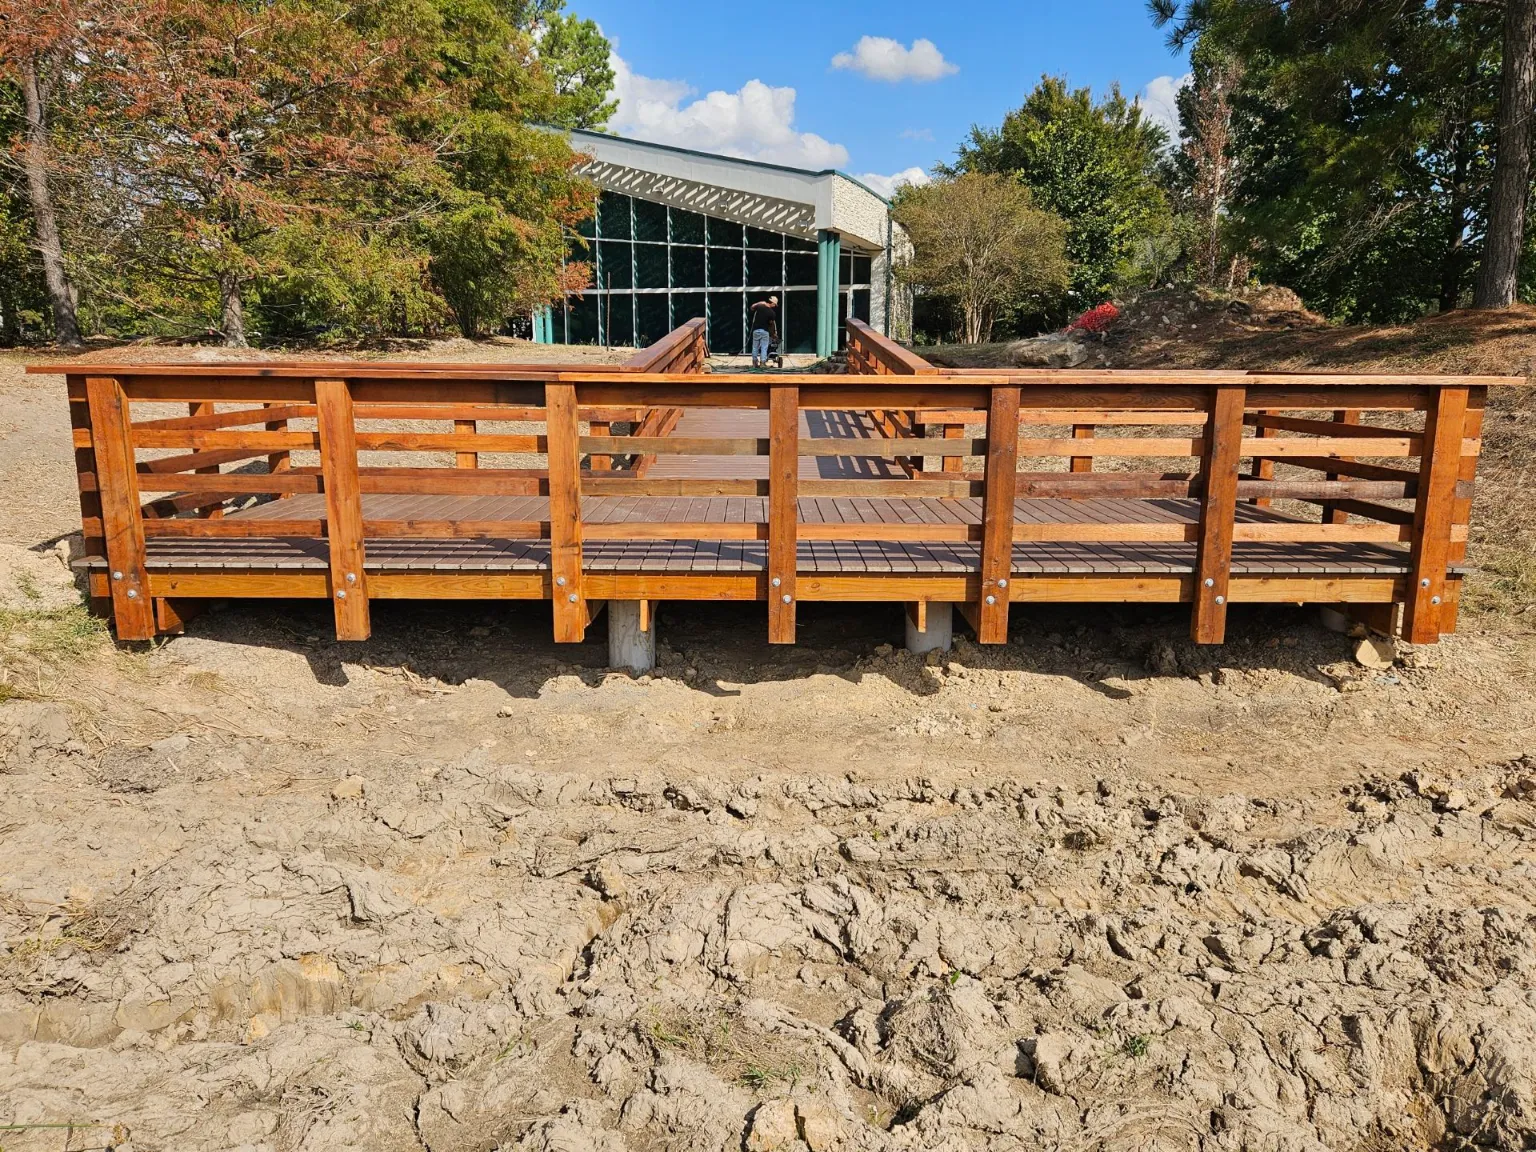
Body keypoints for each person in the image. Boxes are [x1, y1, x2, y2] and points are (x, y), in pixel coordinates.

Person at [749, 296, 779, 368]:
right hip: (764, 331)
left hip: (756, 331)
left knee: (755, 347)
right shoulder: (772, 313)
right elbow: (771, 324)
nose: (774, 306)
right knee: (764, 347)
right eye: (775, 305)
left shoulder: (760, 306)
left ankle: (754, 363)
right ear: (772, 303)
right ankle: (762, 363)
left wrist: (759, 303)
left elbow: (752, 307)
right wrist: (773, 334)